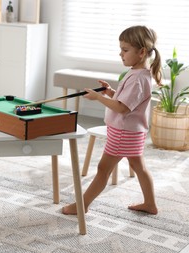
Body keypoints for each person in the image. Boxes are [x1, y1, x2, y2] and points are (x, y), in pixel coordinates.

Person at [63, 25, 161, 215]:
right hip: (133, 131)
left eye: (125, 50)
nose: (120, 54)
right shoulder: (138, 74)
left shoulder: (137, 78)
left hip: (124, 132)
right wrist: (110, 92)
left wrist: (99, 97)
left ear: (141, 52)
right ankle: (150, 204)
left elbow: (123, 108)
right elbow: (128, 101)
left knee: (103, 169)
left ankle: (81, 206)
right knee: (138, 166)